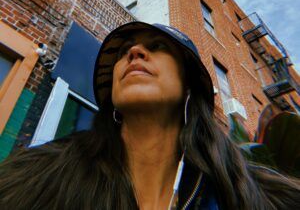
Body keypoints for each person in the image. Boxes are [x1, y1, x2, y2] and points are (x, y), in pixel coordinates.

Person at [0, 21, 299, 210]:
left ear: (188, 87)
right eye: (124, 52)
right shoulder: (40, 176)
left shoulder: (252, 195)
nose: (135, 52)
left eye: (157, 46)